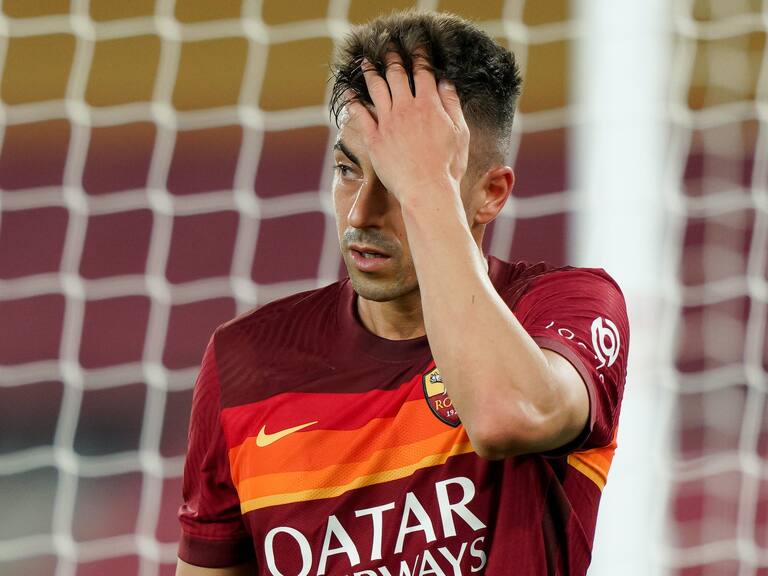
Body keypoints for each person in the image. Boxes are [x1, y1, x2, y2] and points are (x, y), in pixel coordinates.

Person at [176, 9, 629, 576]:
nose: (361, 214)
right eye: (347, 171)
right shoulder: (244, 362)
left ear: (491, 193)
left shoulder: (566, 308)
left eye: (395, 182)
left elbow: (502, 414)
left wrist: (426, 186)